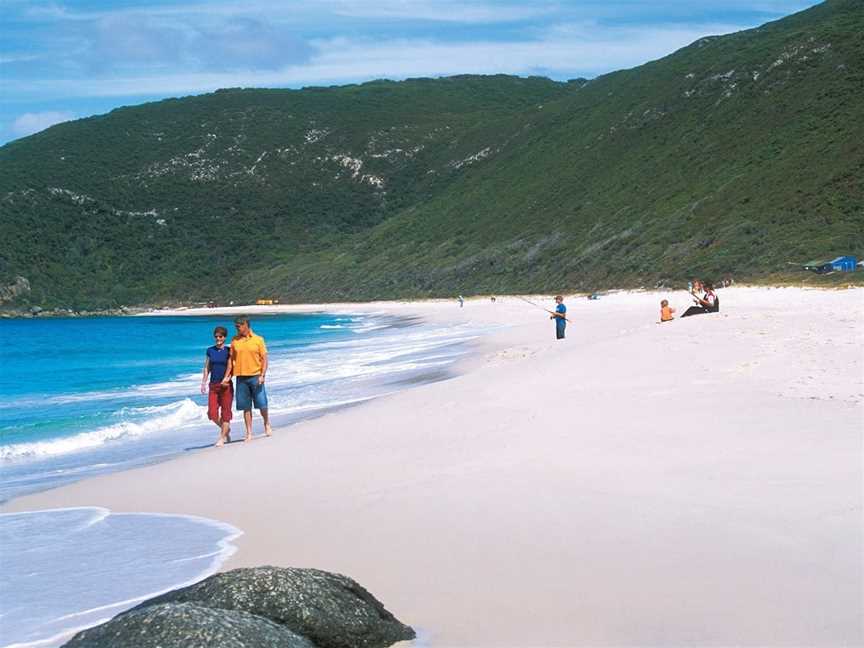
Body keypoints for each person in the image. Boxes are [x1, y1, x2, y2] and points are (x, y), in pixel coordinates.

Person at [229, 316, 272, 442]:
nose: (237, 329)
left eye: (239, 326)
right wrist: (228, 375)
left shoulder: (258, 340)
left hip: (256, 376)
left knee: (262, 403)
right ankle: (249, 432)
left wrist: (263, 375)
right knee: (245, 407)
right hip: (241, 377)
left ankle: (266, 423)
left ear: (246, 325)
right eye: (236, 326)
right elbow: (230, 360)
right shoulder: (234, 340)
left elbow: (264, 359)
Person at [200, 326, 233, 446]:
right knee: (212, 414)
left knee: (226, 414)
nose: (218, 338)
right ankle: (226, 430)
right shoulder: (210, 350)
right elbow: (207, 367)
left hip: (225, 386)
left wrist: (227, 378)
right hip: (213, 386)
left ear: (225, 337)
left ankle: (222, 438)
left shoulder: (229, 350)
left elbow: (231, 367)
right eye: (216, 337)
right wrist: (203, 382)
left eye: (220, 336)